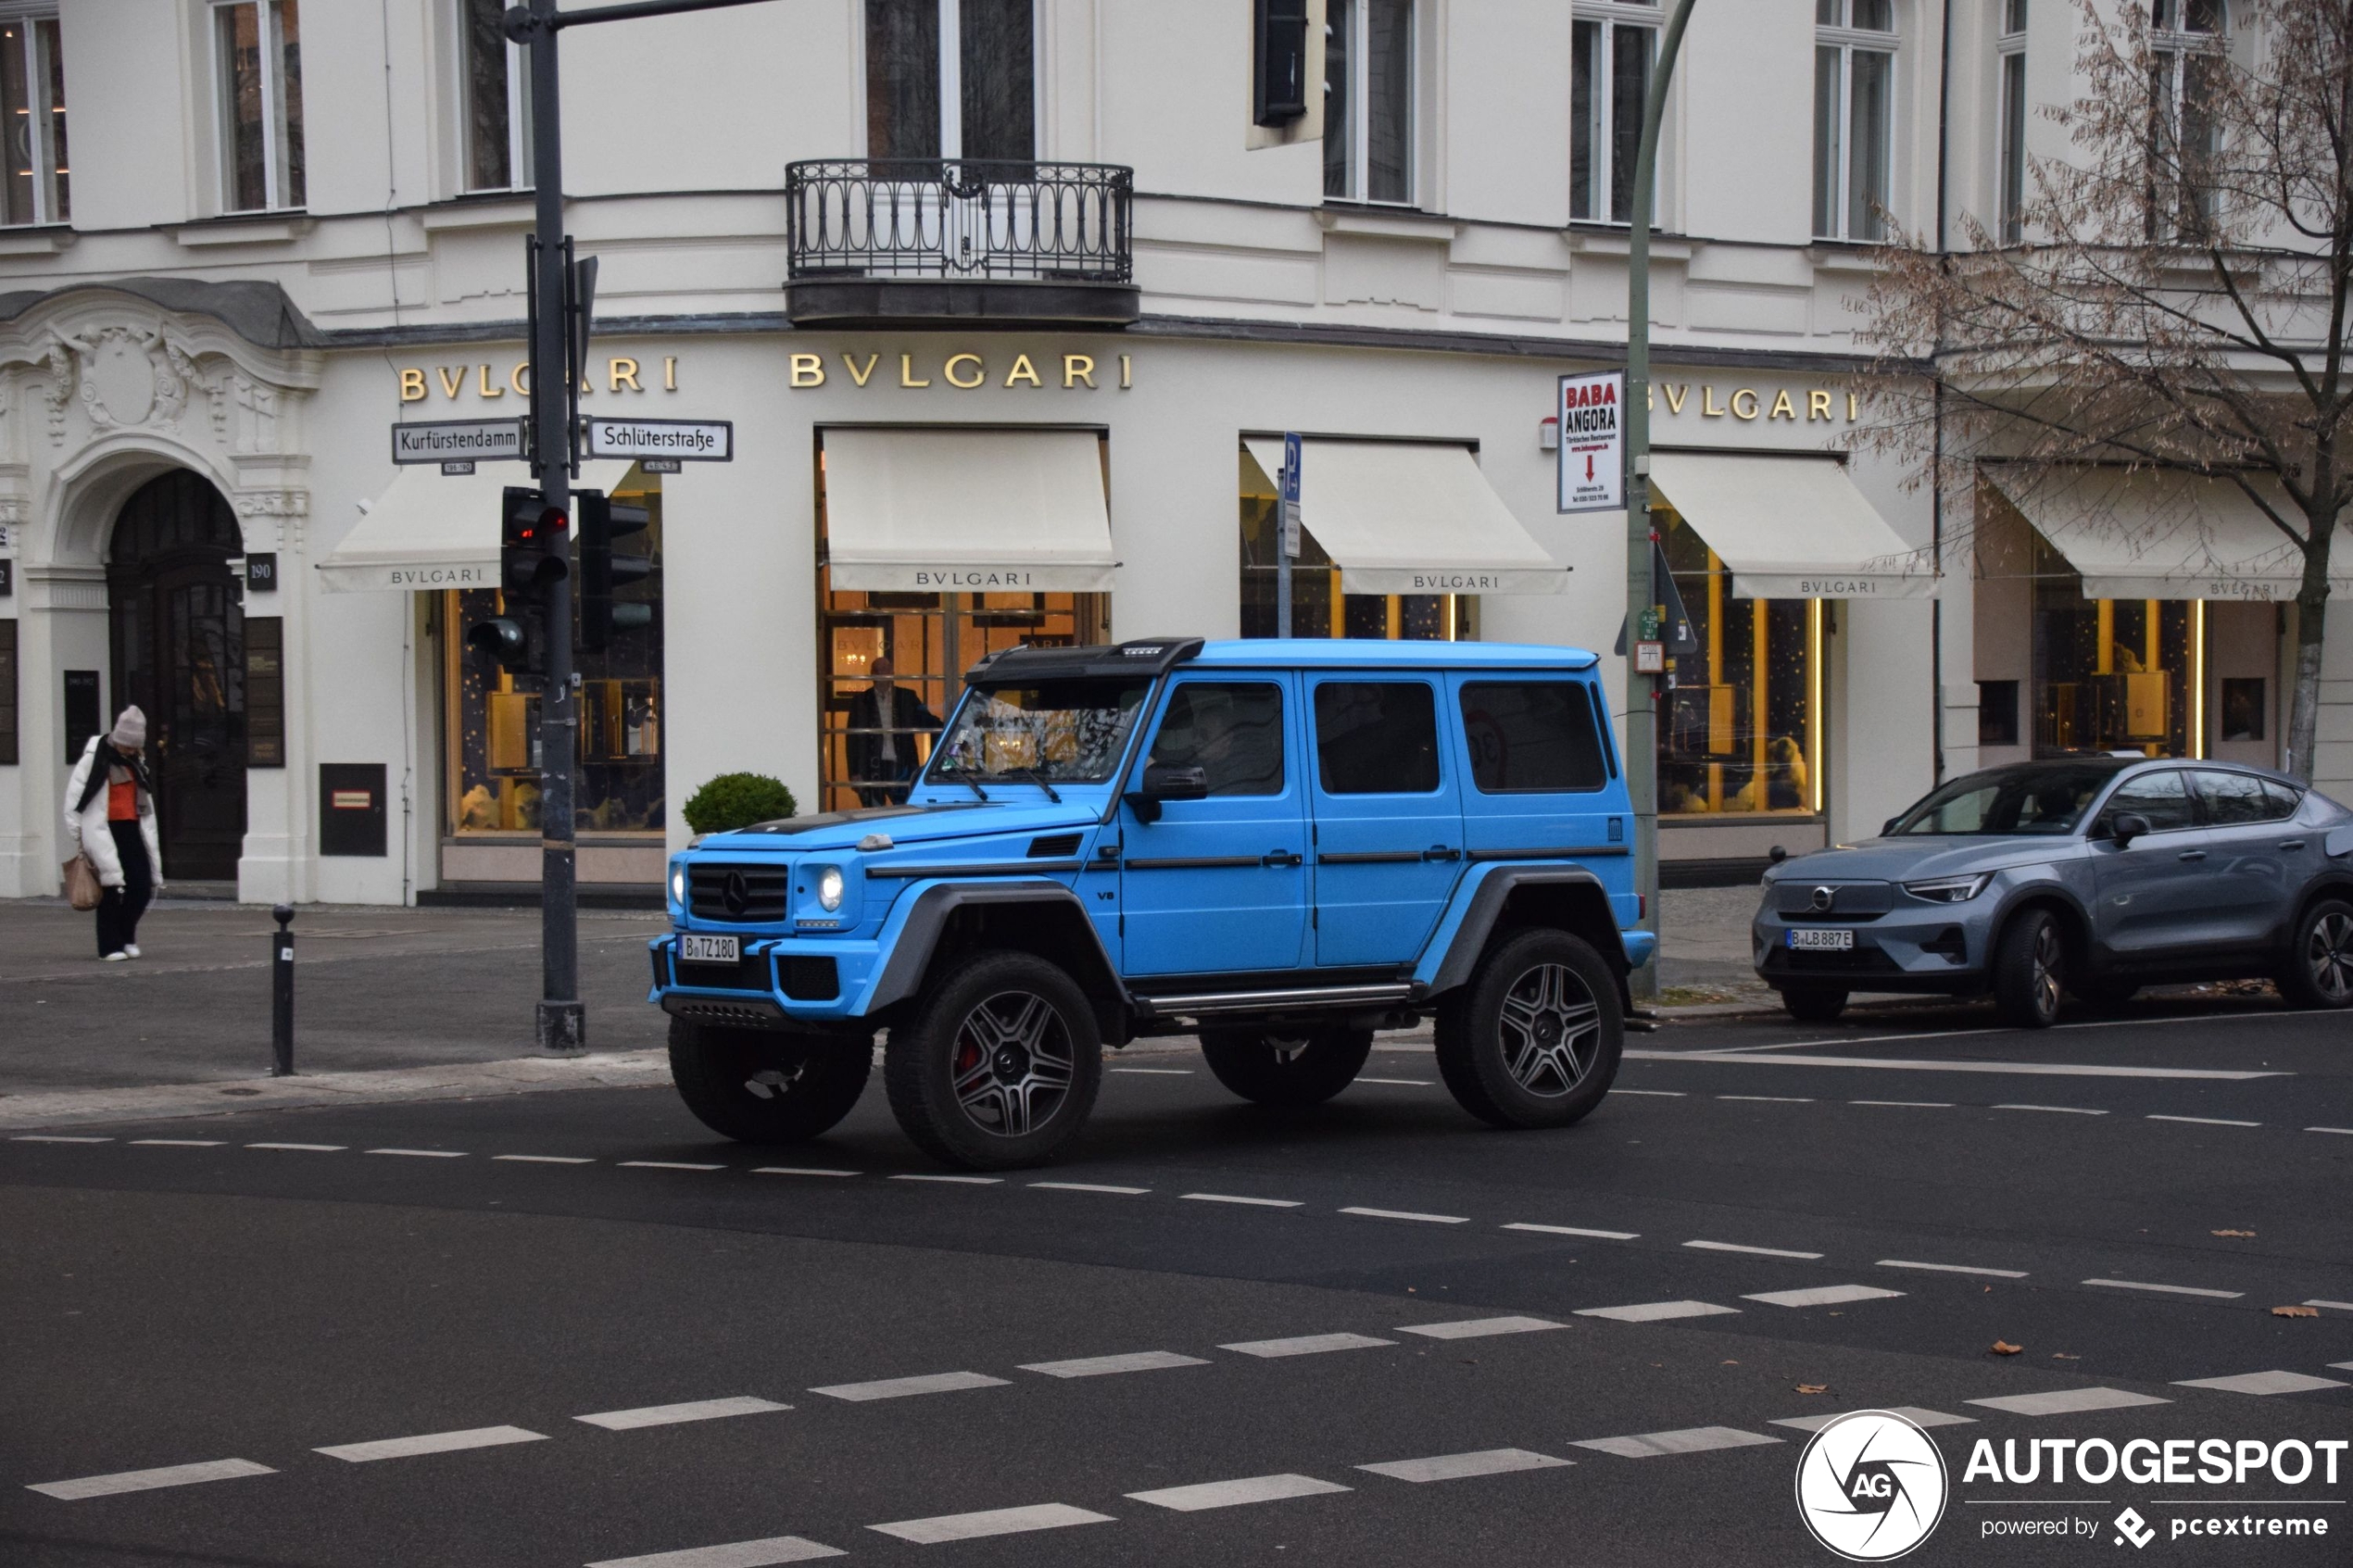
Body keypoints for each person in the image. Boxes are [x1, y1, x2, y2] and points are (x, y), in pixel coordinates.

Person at [64, 707, 164, 962]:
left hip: (133, 829)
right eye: (127, 746)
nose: (130, 751)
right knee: (110, 890)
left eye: (134, 747)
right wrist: (80, 837)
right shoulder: (93, 760)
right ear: (118, 739)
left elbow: (144, 801)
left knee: (141, 887)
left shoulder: (136, 763)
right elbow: (74, 800)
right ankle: (109, 946)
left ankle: (126, 936)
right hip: (103, 832)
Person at [845, 658, 940, 805]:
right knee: (873, 814)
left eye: (886, 670)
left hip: (902, 766)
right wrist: (854, 773)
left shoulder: (906, 697)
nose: (882, 674)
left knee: (904, 812)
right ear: (872, 674)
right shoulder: (861, 701)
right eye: (878, 670)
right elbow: (852, 740)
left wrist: (949, 727)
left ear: (893, 672)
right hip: (870, 768)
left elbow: (927, 722)